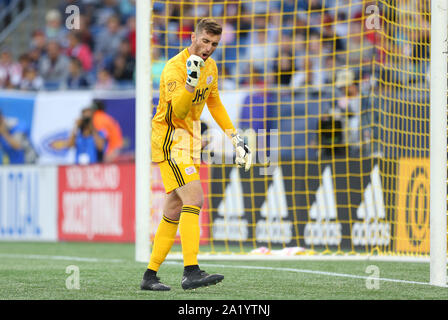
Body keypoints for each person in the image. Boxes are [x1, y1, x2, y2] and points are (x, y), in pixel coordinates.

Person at [140, 18, 252, 291]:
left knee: (174, 208)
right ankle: (191, 271)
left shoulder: (211, 67)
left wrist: (236, 138)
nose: (208, 48)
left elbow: (214, 104)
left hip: (189, 142)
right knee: (195, 199)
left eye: (214, 43)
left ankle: (149, 277)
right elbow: (177, 112)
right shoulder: (174, 68)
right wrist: (190, 83)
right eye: (204, 41)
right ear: (193, 37)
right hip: (169, 140)